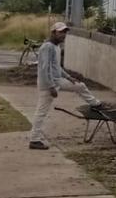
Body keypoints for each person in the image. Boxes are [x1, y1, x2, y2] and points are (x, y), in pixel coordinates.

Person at [29, 22, 100, 150]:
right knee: (42, 111)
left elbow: (57, 67)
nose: (63, 35)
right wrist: (51, 87)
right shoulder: (47, 47)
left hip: (57, 80)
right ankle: (34, 139)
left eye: (65, 32)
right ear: (54, 32)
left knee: (80, 86)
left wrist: (68, 77)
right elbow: (45, 69)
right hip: (48, 83)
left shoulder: (56, 47)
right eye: (61, 32)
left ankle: (95, 104)